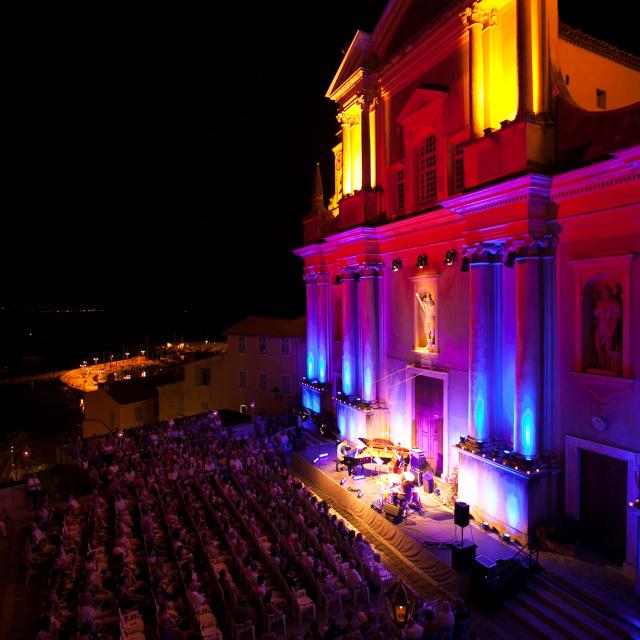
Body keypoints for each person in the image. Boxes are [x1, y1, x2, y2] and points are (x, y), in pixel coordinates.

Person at [594, 284, 621, 371]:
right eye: (603, 291)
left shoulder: (613, 303)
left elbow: (615, 319)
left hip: (609, 324)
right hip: (600, 324)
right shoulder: (599, 302)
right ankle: (601, 362)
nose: (604, 293)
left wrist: (610, 333)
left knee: (607, 346)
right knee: (597, 343)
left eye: (606, 291)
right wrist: (597, 312)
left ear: (609, 292)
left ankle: (608, 365)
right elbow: (595, 315)